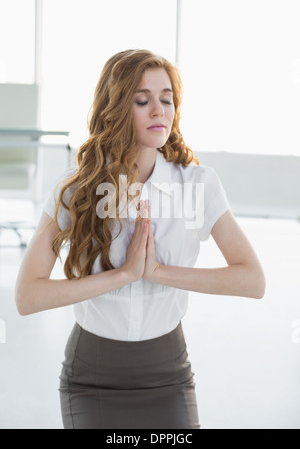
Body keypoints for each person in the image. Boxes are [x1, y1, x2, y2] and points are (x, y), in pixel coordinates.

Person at [15, 49, 265, 429]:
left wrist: (158, 272)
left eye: (166, 99)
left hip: (168, 374)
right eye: (142, 100)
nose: (159, 110)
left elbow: (253, 280)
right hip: (91, 378)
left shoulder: (197, 183)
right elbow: (27, 296)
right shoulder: (75, 190)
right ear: (114, 108)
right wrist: (123, 275)